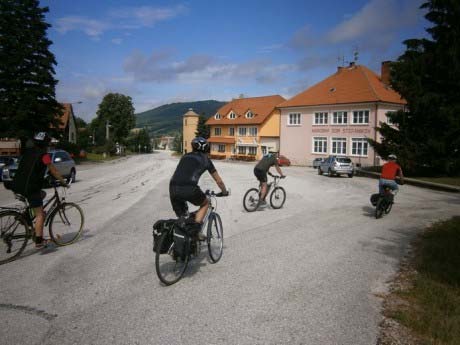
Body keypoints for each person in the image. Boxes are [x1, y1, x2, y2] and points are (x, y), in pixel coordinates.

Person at [12, 132, 68, 248]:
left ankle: (26, 216)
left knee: (42, 194)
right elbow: (54, 171)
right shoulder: (44, 155)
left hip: (17, 185)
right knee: (40, 214)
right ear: (45, 144)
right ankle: (39, 241)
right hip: (30, 188)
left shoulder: (27, 152)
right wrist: (63, 182)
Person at [169, 137, 228, 237]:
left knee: (183, 219)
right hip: (189, 188)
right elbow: (219, 181)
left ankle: (182, 244)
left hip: (173, 187)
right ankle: (196, 232)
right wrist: (224, 191)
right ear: (206, 148)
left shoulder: (185, 156)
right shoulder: (206, 160)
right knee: (205, 203)